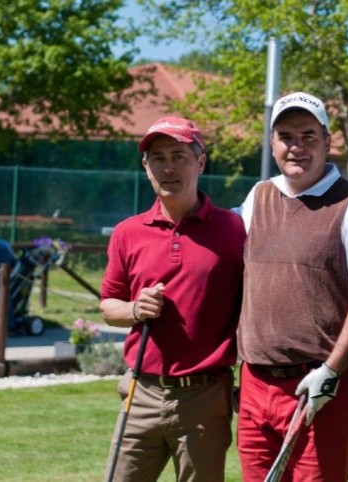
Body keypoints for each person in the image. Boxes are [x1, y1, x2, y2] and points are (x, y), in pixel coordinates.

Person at [234, 92, 348, 481]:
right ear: (272, 143)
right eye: (285, 136)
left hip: (323, 386)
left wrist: (332, 371)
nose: (296, 147)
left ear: (327, 141)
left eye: (308, 135)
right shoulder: (259, 196)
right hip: (255, 384)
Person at [99, 116, 246, 481]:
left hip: (205, 396)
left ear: (200, 162)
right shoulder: (127, 233)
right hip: (140, 392)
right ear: (146, 167)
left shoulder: (234, 229)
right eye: (158, 157)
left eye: (178, 156)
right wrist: (134, 309)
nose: (168, 167)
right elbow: (109, 306)